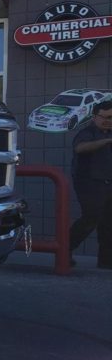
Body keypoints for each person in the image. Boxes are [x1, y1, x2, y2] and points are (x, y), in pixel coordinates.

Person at [69, 100, 112, 269]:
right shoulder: (88, 133)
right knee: (90, 218)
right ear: (94, 117)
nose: (107, 120)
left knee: (108, 222)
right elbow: (80, 148)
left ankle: (106, 261)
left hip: (108, 182)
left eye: (111, 117)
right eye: (104, 117)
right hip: (89, 183)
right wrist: (106, 141)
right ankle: (64, 251)